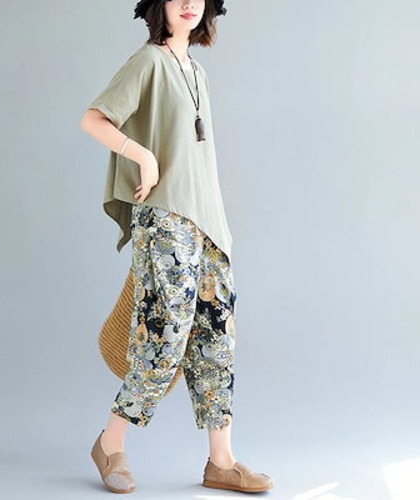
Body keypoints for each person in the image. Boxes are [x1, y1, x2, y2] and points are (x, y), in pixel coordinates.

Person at [80, 0, 274, 494]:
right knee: (164, 336)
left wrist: (219, 227)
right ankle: (110, 443)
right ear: (158, 5)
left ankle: (221, 462)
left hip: (210, 224)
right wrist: (143, 157)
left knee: (216, 340)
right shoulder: (148, 61)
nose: (189, 3)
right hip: (166, 216)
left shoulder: (197, 71)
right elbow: (94, 119)